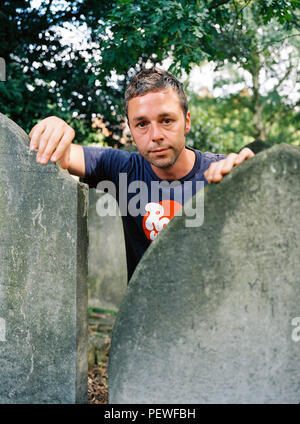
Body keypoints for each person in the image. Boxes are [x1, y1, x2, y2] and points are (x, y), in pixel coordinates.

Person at [29, 67, 255, 281]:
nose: (155, 135)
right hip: (144, 316)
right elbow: (62, 154)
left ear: (186, 122)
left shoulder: (222, 173)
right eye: (142, 124)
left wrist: (250, 178)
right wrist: (54, 126)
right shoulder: (122, 169)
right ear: (130, 129)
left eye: (166, 120)